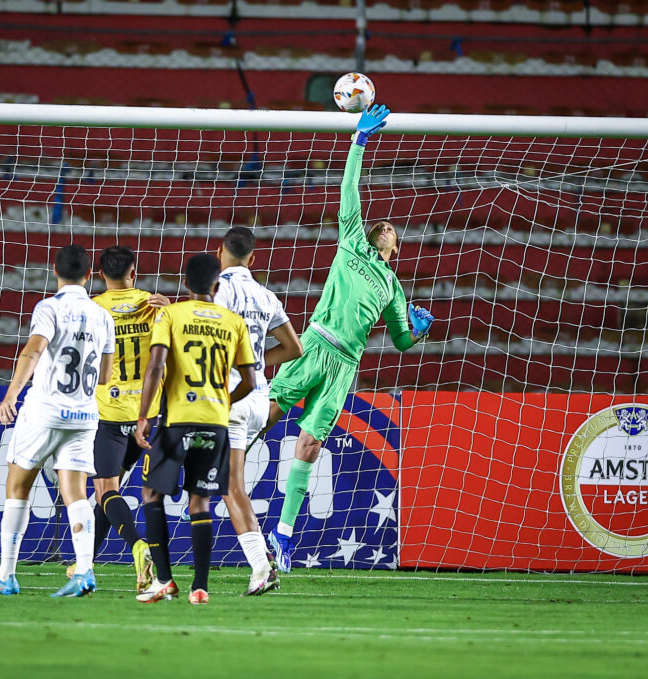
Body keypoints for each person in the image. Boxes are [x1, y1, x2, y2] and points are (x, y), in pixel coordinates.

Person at [265, 105, 435, 573]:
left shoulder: (394, 287)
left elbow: (401, 342)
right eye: (382, 223)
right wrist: (358, 142)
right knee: (268, 413)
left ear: (395, 247)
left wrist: (417, 331)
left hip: (344, 367)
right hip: (314, 344)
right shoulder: (351, 241)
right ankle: (222, 459)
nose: (386, 226)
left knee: (309, 446)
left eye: (392, 230)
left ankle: (281, 537)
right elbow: (349, 189)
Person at [0, 244, 115, 597]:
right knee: (76, 493)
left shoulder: (49, 307)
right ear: (89, 274)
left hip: (45, 411)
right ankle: (84, 571)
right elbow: (105, 375)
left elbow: (34, 349)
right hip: (84, 415)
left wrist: (11, 394)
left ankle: (6, 576)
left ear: (55, 272)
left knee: (17, 487)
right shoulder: (103, 314)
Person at [133, 253, 257, 605]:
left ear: (185, 284)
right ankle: (200, 587)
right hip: (216, 422)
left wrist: (144, 416)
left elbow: (155, 367)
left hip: (177, 420)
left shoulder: (171, 314)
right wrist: (223, 402)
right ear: (217, 287)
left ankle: (166, 581)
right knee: (200, 501)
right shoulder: (234, 322)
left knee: (151, 495)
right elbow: (249, 380)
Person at [214, 227, 303, 595]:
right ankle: (261, 562)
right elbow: (294, 348)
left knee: (230, 486)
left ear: (220, 252)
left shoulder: (220, 290)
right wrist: (257, 362)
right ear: (253, 259)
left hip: (230, 396)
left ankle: (260, 566)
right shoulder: (266, 296)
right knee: (226, 483)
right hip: (258, 398)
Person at [90, 245, 170, 592]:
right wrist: (170, 309)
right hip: (149, 415)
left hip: (109, 413)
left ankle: (139, 547)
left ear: (100, 274)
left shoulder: (92, 308)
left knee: (106, 490)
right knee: (109, 493)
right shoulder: (154, 305)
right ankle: (84, 563)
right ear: (133, 272)